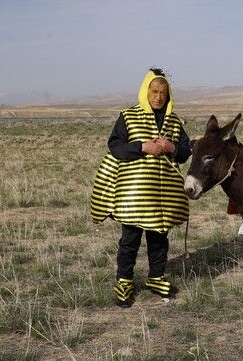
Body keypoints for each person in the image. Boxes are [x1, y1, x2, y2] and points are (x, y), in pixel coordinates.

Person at [90, 68, 191, 307]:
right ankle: (124, 281)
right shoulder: (128, 116)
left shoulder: (174, 121)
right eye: (154, 92)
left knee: (159, 237)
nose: (158, 97)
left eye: (163, 93)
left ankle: (156, 277)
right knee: (130, 239)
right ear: (146, 92)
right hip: (133, 194)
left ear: (168, 95)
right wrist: (143, 147)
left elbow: (186, 152)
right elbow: (115, 147)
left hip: (163, 195)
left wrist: (172, 148)